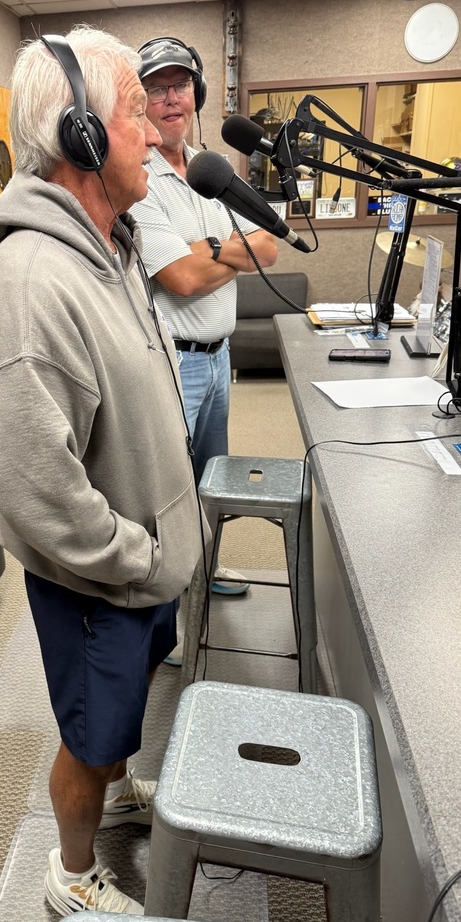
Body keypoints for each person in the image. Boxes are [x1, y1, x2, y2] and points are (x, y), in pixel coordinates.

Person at [0, 27, 205, 918]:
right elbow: (32, 491)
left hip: (147, 564)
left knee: (124, 711)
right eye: (137, 111)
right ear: (83, 137)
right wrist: (137, 557)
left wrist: (162, 550)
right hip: (105, 579)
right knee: (88, 734)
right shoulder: (30, 286)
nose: (157, 128)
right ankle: (70, 875)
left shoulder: (114, 247)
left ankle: (118, 782)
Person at [129, 36, 278, 611]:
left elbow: (269, 247)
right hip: (177, 360)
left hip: (220, 359)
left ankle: (204, 570)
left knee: (211, 478)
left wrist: (207, 248)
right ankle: (165, 604)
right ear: (140, 102)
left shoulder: (212, 170)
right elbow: (182, 279)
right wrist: (229, 250)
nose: (172, 99)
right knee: (170, 489)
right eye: (157, 89)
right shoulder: (139, 179)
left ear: (198, 93)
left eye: (181, 85)